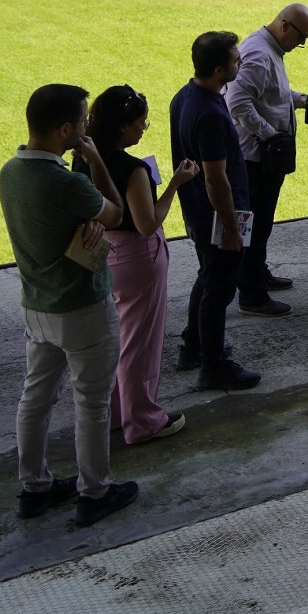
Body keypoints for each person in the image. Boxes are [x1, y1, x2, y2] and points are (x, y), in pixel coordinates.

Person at [0, 84, 139, 526]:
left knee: (36, 396)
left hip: (35, 306)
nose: (86, 128)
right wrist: (96, 159)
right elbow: (116, 215)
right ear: (66, 129)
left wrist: (82, 220)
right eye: (82, 123)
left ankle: (34, 487)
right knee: (91, 403)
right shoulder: (67, 182)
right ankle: (95, 492)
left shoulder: (9, 172)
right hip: (82, 309)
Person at [81, 86, 197, 444]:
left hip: (105, 253)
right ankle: (143, 420)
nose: (143, 130)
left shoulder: (85, 155)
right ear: (122, 127)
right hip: (138, 258)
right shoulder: (133, 169)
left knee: (117, 339)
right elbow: (148, 222)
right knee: (140, 345)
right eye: (141, 124)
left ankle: (118, 413)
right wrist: (175, 184)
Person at [170, 31, 262, 391]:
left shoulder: (185, 96)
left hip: (197, 214)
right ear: (219, 69)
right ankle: (214, 366)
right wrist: (232, 228)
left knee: (208, 278)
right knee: (220, 290)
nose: (241, 63)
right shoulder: (209, 113)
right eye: (237, 61)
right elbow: (215, 180)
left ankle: (193, 346)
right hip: (217, 218)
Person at [226, 4, 308, 317]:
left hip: (262, 157)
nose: (300, 43)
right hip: (254, 158)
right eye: (301, 37)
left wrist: (303, 100)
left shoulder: (269, 49)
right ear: (284, 24)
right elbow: (237, 102)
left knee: (262, 223)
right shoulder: (259, 53)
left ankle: (257, 274)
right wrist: (270, 135)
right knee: (254, 223)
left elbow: (273, 93)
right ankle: (251, 294)